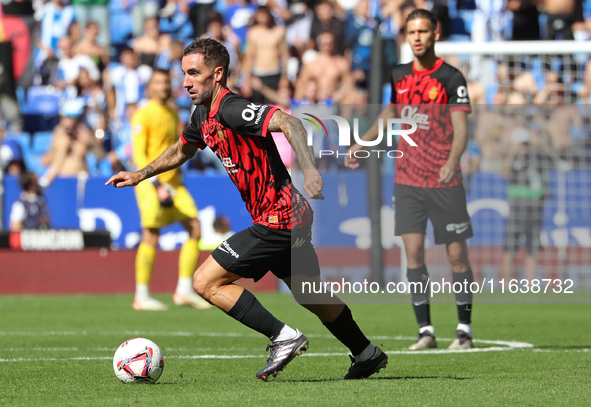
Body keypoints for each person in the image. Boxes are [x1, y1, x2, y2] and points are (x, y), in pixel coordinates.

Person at [106, 38, 388, 380]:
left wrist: (310, 170)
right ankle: (366, 352)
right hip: (289, 216)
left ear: (218, 73)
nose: (185, 82)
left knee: (205, 281)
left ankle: (284, 337)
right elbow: (182, 150)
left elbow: (290, 123)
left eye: (194, 73)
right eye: (184, 74)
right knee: (309, 293)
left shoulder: (231, 108)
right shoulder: (202, 115)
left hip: (280, 216)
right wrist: (140, 174)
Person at [345, 9, 475, 350]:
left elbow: (461, 128)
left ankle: (464, 330)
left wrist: (452, 161)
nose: (416, 37)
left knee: (457, 256)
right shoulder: (400, 75)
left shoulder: (451, 78)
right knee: (414, 255)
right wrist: (362, 142)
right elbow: (391, 113)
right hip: (407, 180)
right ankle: (426, 331)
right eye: (411, 32)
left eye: (422, 31)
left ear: (435, 34)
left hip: (445, 179)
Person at [127, 68, 211, 311]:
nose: (163, 87)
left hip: (174, 183)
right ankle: (141, 295)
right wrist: (154, 183)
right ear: (150, 87)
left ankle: (184, 291)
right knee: (151, 234)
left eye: (166, 82)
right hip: (151, 183)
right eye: (159, 83)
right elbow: (139, 154)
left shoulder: (173, 112)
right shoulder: (143, 115)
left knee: (195, 228)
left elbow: (179, 147)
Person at [501, 127, 548, 283]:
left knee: (532, 250)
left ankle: (530, 284)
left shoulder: (536, 159)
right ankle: (506, 284)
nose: (523, 147)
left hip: (533, 211)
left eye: (525, 144)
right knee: (509, 250)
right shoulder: (511, 160)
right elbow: (504, 173)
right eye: (521, 144)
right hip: (515, 212)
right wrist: (512, 152)